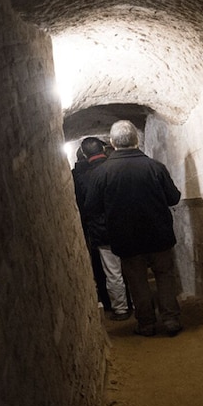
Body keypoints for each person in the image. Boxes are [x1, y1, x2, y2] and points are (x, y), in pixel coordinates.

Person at [85, 120, 183, 337]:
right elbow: (173, 198)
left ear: (112, 143)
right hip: (159, 235)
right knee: (165, 276)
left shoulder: (101, 174)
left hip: (126, 239)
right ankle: (170, 320)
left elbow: (91, 208)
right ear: (136, 140)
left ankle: (146, 324)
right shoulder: (155, 167)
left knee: (137, 282)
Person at [78, 137, 132, 321]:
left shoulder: (84, 177)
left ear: (85, 155)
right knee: (133, 268)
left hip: (103, 230)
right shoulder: (119, 168)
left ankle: (121, 308)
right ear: (103, 148)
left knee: (113, 273)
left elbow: (87, 207)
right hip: (127, 225)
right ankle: (141, 305)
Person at [72, 144, 113, 314]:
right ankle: (129, 303)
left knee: (109, 270)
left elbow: (85, 205)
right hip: (119, 225)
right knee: (125, 268)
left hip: (97, 229)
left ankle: (114, 304)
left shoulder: (82, 176)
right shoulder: (111, 169)